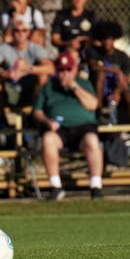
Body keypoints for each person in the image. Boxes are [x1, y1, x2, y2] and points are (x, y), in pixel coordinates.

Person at [33, 52, 103, 201]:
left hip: (83, 128)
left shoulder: (83, 84)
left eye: (68, 70)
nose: (64, 74)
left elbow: (93, 105)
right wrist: (47, 121)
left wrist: (74, 87)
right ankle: (55, 187)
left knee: (92, 140)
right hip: (60, 129)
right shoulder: (48, 87)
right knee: (48, 139)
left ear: (74, 69)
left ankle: (96, 186)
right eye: (61, 70)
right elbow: (37, 111)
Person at [0, 19, 54, 109]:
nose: (20, 33)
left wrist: (28, 69)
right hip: (11, 86)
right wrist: (5, 73)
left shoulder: (35, 48)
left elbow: (50, 68)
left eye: (24, 30)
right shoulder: (4, 48)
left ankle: (37, 112)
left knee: (43, 77)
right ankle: (2, 117)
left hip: (30, 87)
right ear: (12, 33)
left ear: (28, 32)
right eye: (17, 30)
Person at [87, 21, 130, 124]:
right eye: (104, 39)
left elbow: (126, 77)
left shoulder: (122, 56)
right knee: (101, 75)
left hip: (116, 88)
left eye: (109, 39)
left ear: (114, 39)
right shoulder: (94, 52)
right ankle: (98, 114)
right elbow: (94, 67)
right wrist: (115, 70)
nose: (107, 42)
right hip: (97, 88)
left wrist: (117, 92)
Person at [51, 0, 98, 64]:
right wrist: (69, 43)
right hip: (67, 52)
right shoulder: (61, 16)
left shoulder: (91, 16)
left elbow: (98, 40)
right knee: (72, 53)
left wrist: (84, 40)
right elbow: (55, 39)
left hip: (87, 52)